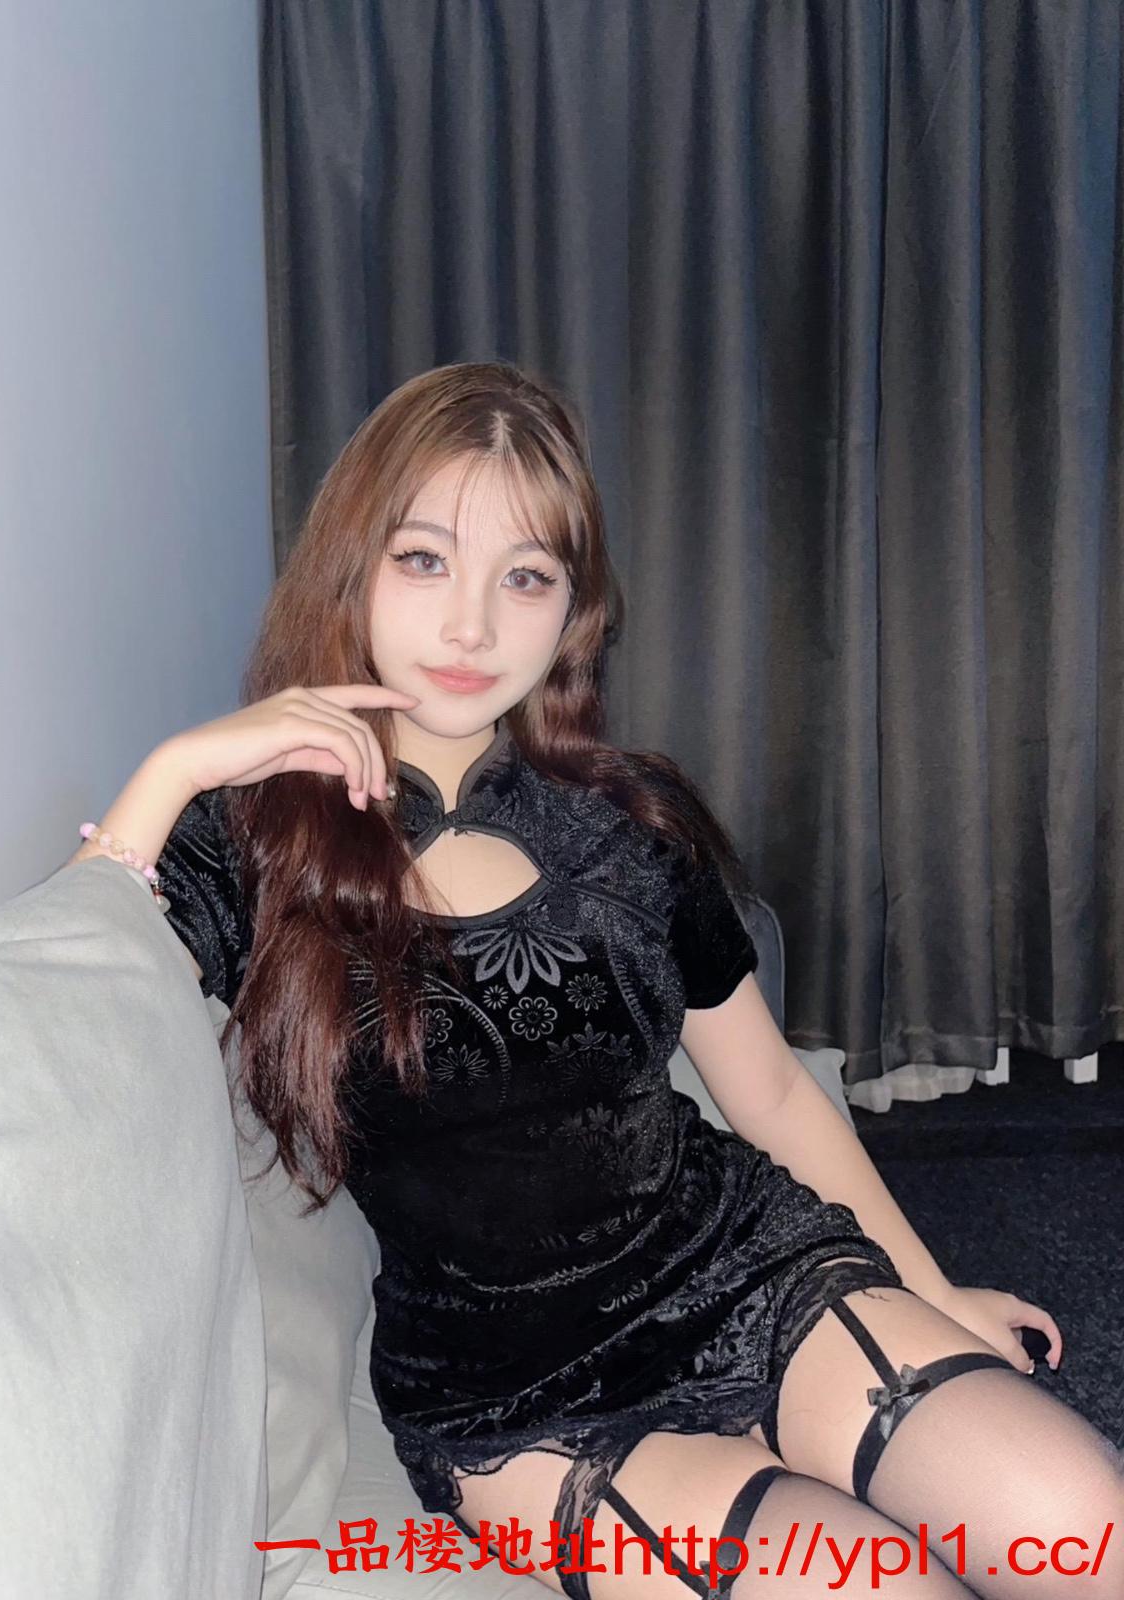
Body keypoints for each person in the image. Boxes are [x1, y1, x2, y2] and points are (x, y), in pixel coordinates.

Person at [70, 362, 1122, 1598]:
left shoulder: (631, 820)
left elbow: (773, 1094)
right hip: (518, 1394)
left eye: (525, 577)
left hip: (743, 1265)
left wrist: (932, 1291)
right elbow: (88, 976)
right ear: (350, 567)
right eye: (425, 560)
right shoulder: (256, 841)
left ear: (575, 608)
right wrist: (178, 768)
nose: (472, 627)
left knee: (1087, 1527)